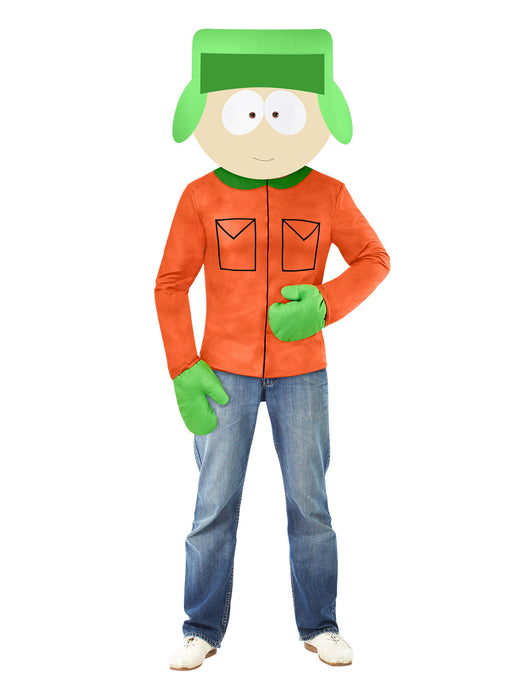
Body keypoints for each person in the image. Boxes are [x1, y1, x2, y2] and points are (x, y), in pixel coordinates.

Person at [154, 28, 391, 670]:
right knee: (213, 504)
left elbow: (373, 258)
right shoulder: (201, 195)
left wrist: (325, 304)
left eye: (281, 112)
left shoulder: (328, 193)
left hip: (301, 372)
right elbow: (171, 282)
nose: (263, 130)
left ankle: (321, 625)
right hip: (220, 372)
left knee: (310, 504)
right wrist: (183, 367)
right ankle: (200, 628)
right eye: (245, 112)